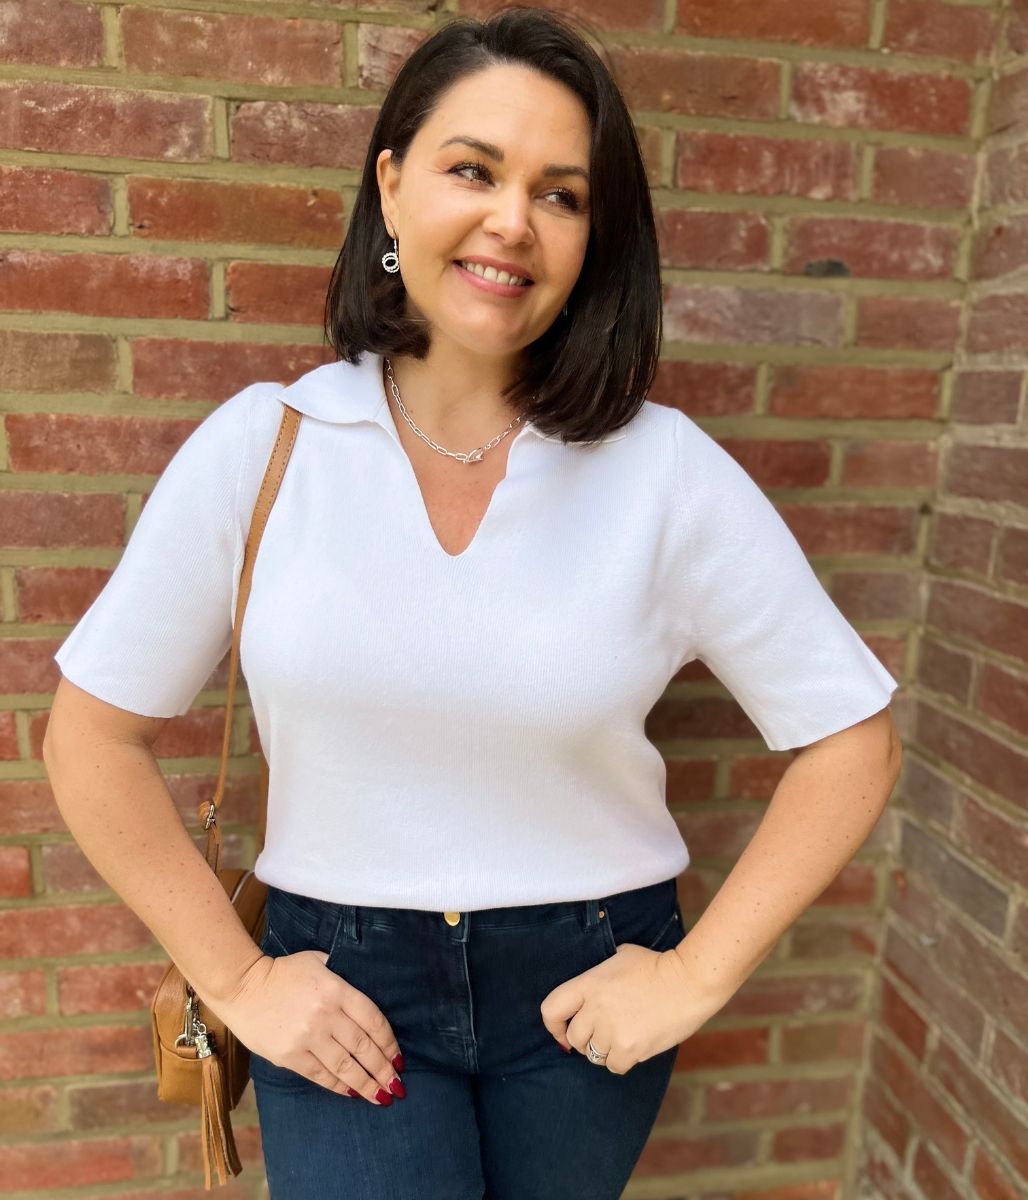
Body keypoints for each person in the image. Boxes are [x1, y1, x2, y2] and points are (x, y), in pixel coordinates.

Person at [43, 7, 903, 1198]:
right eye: (472, 170)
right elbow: (92, 738)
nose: (512, 220)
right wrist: (239, 983)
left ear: (594, 237)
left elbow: (847, 738)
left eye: (560, 193)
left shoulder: (662, 471)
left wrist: (694, 978)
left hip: (583, 980)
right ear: (390, 189)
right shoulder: (267, 447)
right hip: (342, 984)